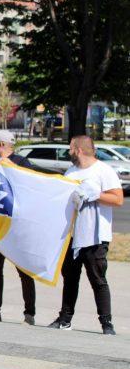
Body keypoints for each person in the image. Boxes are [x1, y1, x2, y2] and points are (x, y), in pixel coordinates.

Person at [49, 135, 123, 335]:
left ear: (78, 150)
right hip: (73, 236)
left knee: (97, 279)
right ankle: (65, 319)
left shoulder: (103, 171)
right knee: (70, 278)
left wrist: (96, 195)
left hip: (95, 236)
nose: (69, 152)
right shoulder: (72, 171)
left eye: (70, 148)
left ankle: (107, 324)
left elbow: (118, 199)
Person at [0, 130, 37, 325]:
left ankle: (29, 314)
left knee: (24, 271)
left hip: (17, 228)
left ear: (3, 144)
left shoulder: (21, 162)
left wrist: (7, 163)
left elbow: (30, 183)